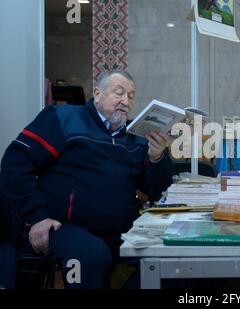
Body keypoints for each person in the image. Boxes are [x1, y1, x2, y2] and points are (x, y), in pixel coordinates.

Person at [0, 71, 176, 288]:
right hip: (64, 227)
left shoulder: (137, 138)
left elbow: (159, 190)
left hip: (121, 231)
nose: (125, 101)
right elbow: (15, 162)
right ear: (97, 93)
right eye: (119, 93)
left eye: (131, 96)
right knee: (92, 256)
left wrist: (157, 156)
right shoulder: (62, 118)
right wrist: (37, 217)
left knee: (169, 262)